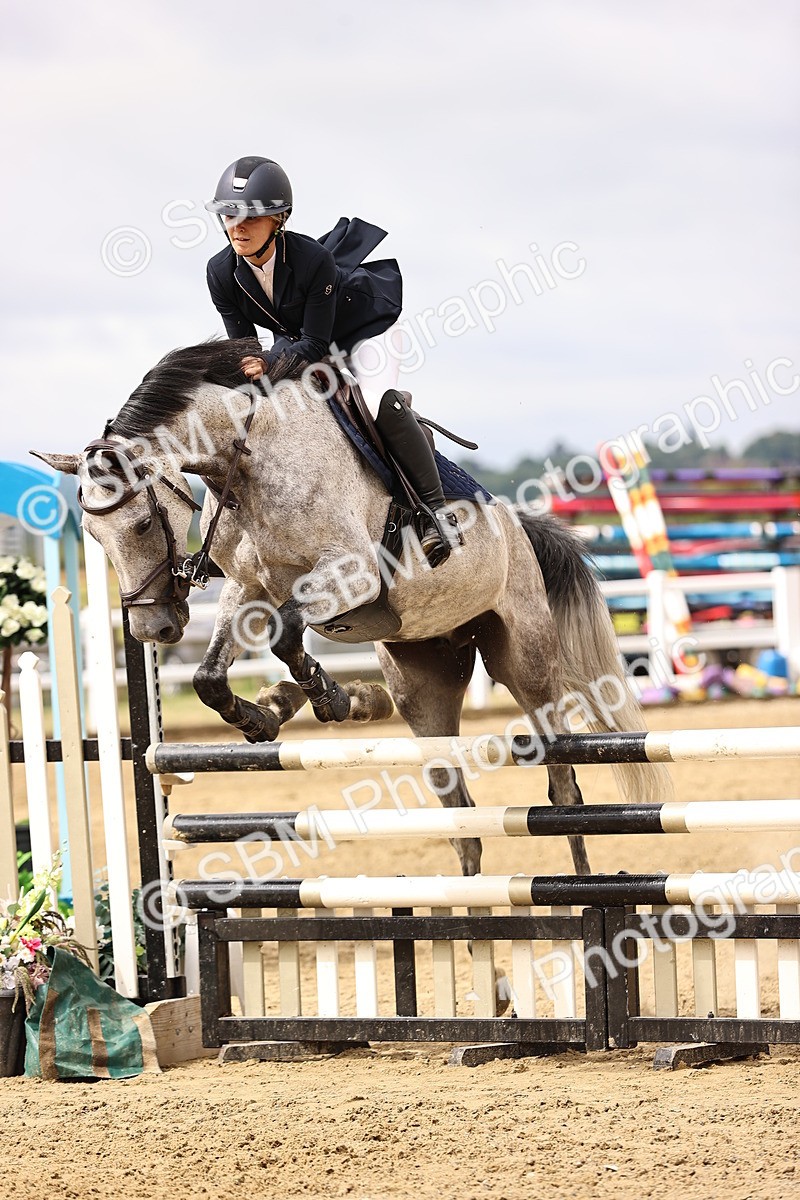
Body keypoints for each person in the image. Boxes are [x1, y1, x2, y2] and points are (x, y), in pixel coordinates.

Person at [205, 155, 460, 567]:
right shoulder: (220, 271)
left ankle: (437, 515)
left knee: (377, 401)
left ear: (279, 219)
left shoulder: (311, 260)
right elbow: (244, 347)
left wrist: (268, 365)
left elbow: (317, 343)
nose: (238, 226)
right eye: (230, 215)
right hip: (295, 339)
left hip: (361, 331)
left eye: (251, 217)